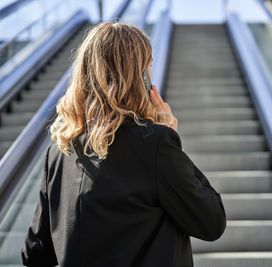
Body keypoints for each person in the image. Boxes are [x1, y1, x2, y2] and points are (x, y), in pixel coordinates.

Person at [20, 22, 226, 267]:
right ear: (140, 79)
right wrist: (174, 143)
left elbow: (34, 254)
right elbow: (211, 222)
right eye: (148, 69)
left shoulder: (58, 154)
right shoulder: (156, 144)